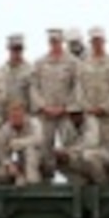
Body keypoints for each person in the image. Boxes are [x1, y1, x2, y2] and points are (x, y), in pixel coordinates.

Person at [30, 29, 80, 178]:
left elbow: (77, 87)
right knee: (44, 150)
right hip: (46, 114)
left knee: (71, 149)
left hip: (65, 113)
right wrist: (43, 106)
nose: (54, 44)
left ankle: (74, 182)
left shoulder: (73, 62)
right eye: (52, 41)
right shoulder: (39, 63)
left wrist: (66, 107)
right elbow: (34, 87)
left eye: (57, 41)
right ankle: (46, 184)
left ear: (62, 42)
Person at [77, 28, 109, 166]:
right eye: (94, 41)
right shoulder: (83, 64)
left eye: (99, 40)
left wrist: (106, 107)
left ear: (104, 41)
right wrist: (87, 107)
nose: (97, 44)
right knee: (90, 150)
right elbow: (79, 88)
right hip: (90, 115)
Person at [52, 103, 109, 185]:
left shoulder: (92, 121)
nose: (75, 117)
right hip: (76, 155)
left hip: (97, 152)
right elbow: (61, 142)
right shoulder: (65, 123)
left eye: (77, 114)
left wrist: (69, 150)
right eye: (72, 114)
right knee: (59, 160)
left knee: (89, 156)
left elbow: (92, 142)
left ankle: (102, 185)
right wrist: (60, 151)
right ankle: (77, 185)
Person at [0, 102, 45, 186]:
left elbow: (39, 139)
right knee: (1, 174)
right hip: (15, 161)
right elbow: (1, 152)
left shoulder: (34, 123)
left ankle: (33, 184)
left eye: (18, 116)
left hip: (36, 159)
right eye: (12, 116)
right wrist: (8, 164)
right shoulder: (5, 129)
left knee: (30, 151)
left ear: (24, 114)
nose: (15, 118)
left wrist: (17, 143)